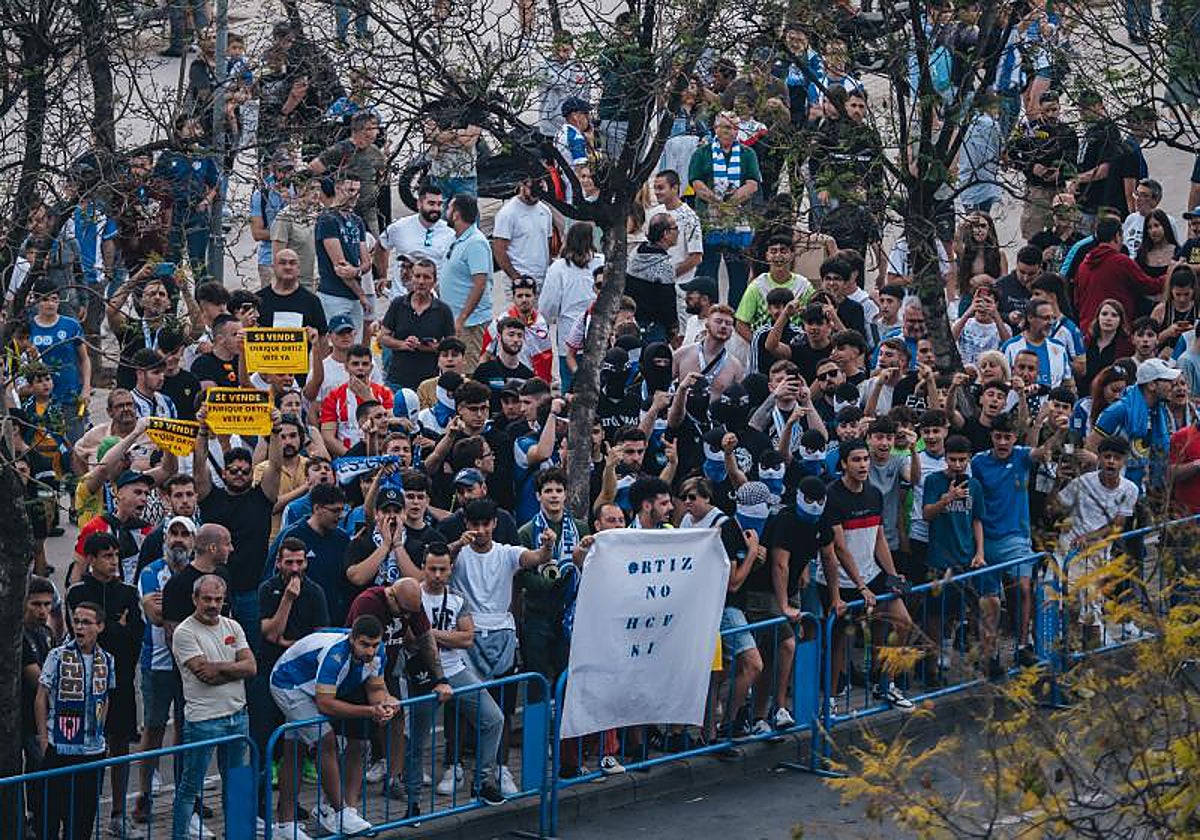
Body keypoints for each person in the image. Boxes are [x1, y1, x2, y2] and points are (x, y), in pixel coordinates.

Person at [269, 616, 400, 836]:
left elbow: (375, 688)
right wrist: (370, 711)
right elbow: (326, 704)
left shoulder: (379, 653)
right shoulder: (336, 654)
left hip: (309, 686)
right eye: (364, 645)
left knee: (295, 751)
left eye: (375, 645)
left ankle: (285, 825)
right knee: (325, 741)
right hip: (289, 685)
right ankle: (339, 812)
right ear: (352, 639)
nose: (370, 651)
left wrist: (385, 704)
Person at [406, 543, 507, 813]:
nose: (437, 575)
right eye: (432, 569)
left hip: (455, 669)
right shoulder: (414, 595)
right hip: (423, 673)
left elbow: (467, 638)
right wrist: (433, 637)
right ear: (424, 569)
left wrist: (429, 634)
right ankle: (413, 798)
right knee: (417, 738)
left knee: (493, 718)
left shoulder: (457, 598)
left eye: (443, 569)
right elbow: (410, 640)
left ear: (451, 569)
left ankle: (483, 781)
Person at [816, 440, 914, 710]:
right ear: (844, 464)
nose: (862, 465)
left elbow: (879, 539)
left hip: (872, 575)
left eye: (865, 460)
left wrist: (892, 575)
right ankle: (831, 701)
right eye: (856, 460)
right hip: (841, 581)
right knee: (839, 643)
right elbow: (839, 548)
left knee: (902, 622)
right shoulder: (831, 496)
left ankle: (886, 684)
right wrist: (860, 587)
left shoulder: (874, 494)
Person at [973, 411, 1065, 669]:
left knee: (1024, 590)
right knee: (990, 600)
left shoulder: (1022, 455)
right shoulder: (978, 462)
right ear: (992, 436)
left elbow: (1043, 451)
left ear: (1015, 438)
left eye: (1008, 437)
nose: (1003, 442)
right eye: (998, 437)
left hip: (1017, 537)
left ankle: (1024, 646)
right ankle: (990, 655)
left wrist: (1058, 431)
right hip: (987, 539)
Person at [170, 574, 255, 840]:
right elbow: (202, 675)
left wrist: (218, 666)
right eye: (207, 599)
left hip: (238, 716)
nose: (213, 604)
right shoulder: (184, 632)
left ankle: (237, 836)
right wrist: (235, 669)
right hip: (203, 720)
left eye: (218, 599)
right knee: (189, 788)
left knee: (236, 786)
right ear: (194, 599)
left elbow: (251, 668)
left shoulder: (233, 626)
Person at [195, 412, 284, 653]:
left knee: (250, 652)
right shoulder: (211, 498)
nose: (239, 475)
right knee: (210, 650)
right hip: (212, 589)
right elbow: (198, 467)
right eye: (233, 470)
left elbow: (276, 465)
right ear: (224, 473)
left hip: (251, 591)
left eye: (245, 471)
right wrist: (202, 431)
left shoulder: (262, 497)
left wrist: (275, 431)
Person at [132, 516, 194, 825]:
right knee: (154, 728)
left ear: (194, 541)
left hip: (191, 664)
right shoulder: (150, 571)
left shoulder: (200, 573)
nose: (179, 539)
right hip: (157, 661)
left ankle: (187, 796)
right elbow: (156, 615)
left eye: (185, 534)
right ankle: (144, 794)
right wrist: (191, 611)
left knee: (186, 729)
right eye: (174, 533)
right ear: (165, 538)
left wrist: (171, 604)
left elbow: (211, 612)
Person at [35, 602, 114, 840]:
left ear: (99, 627)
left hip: (92, 751)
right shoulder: (58, 655)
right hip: (61, 746)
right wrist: (44, 739)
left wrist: (101, 733)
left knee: (82, 818)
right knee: (50, 815)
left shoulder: (107, 659)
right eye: (76, 621)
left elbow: (106, 697)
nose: (79, 626)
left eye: (86, 622)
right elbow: (41, 696)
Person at [690, 110, 761, 308]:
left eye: (735, 128)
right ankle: (705, 312)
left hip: (738, 222)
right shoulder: (702, 153)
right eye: (727, 127)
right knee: (707, 270)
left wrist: (730, 204)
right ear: (716, 129)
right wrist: (716, 202)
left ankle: (736, 314)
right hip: (709, 220)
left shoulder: (748, 154)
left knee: (738, 272)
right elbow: (696, 182)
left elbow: (752, 183)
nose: (731, 132)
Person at [1075, 218, 1164, 340]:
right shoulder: (1121, 261)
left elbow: (1077, 300)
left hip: (1087, 332)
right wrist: (1170, 274)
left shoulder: (1083, 265)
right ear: (1117, 236)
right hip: (1115, 335)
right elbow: (1150, 286)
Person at [307, 112, 388, 235]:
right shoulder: (341, 149)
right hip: (345, 212)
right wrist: (327, 200)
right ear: (361, 130)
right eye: (373, 129)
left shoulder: (375, 152)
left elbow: (383, 177)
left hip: (369, 213)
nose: (377, 133)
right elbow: (313, 169)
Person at [314, 175, 372, 340]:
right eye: (351, 190)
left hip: (355, 294)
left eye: (358, 192)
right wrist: (361, 294)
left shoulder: (357, 221)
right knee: (336, 344)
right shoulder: (327, 220)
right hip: (334, 294)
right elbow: (340, 267)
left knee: (354, 345)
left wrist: (357, 271)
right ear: (338, 188)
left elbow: (366, 262)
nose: (355, 196)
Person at [442, 194, 494, 367]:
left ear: (456, 214)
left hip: (471, 324)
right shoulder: (456, 238)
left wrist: (462, 318)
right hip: (456, 320)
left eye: (449, 207)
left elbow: (480, 283)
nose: (446, 211)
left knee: (468, 371)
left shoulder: (475, 243)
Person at [375, 183, 455, 296]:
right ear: (419, 204)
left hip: (434, 302)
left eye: (439, 204)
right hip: (401, 299)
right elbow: (381, 245)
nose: (436, 209)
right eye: (431, 204)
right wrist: (382, 276)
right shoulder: (399, 227)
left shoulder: (450, 233)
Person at [493, 176, 555, 289]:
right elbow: (499, 250)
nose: (535, 197)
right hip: (519, 282)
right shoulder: (507, 213)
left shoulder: (545, 211)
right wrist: (516, 278)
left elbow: (547, 245)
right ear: (522, 185)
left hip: (543, 281)